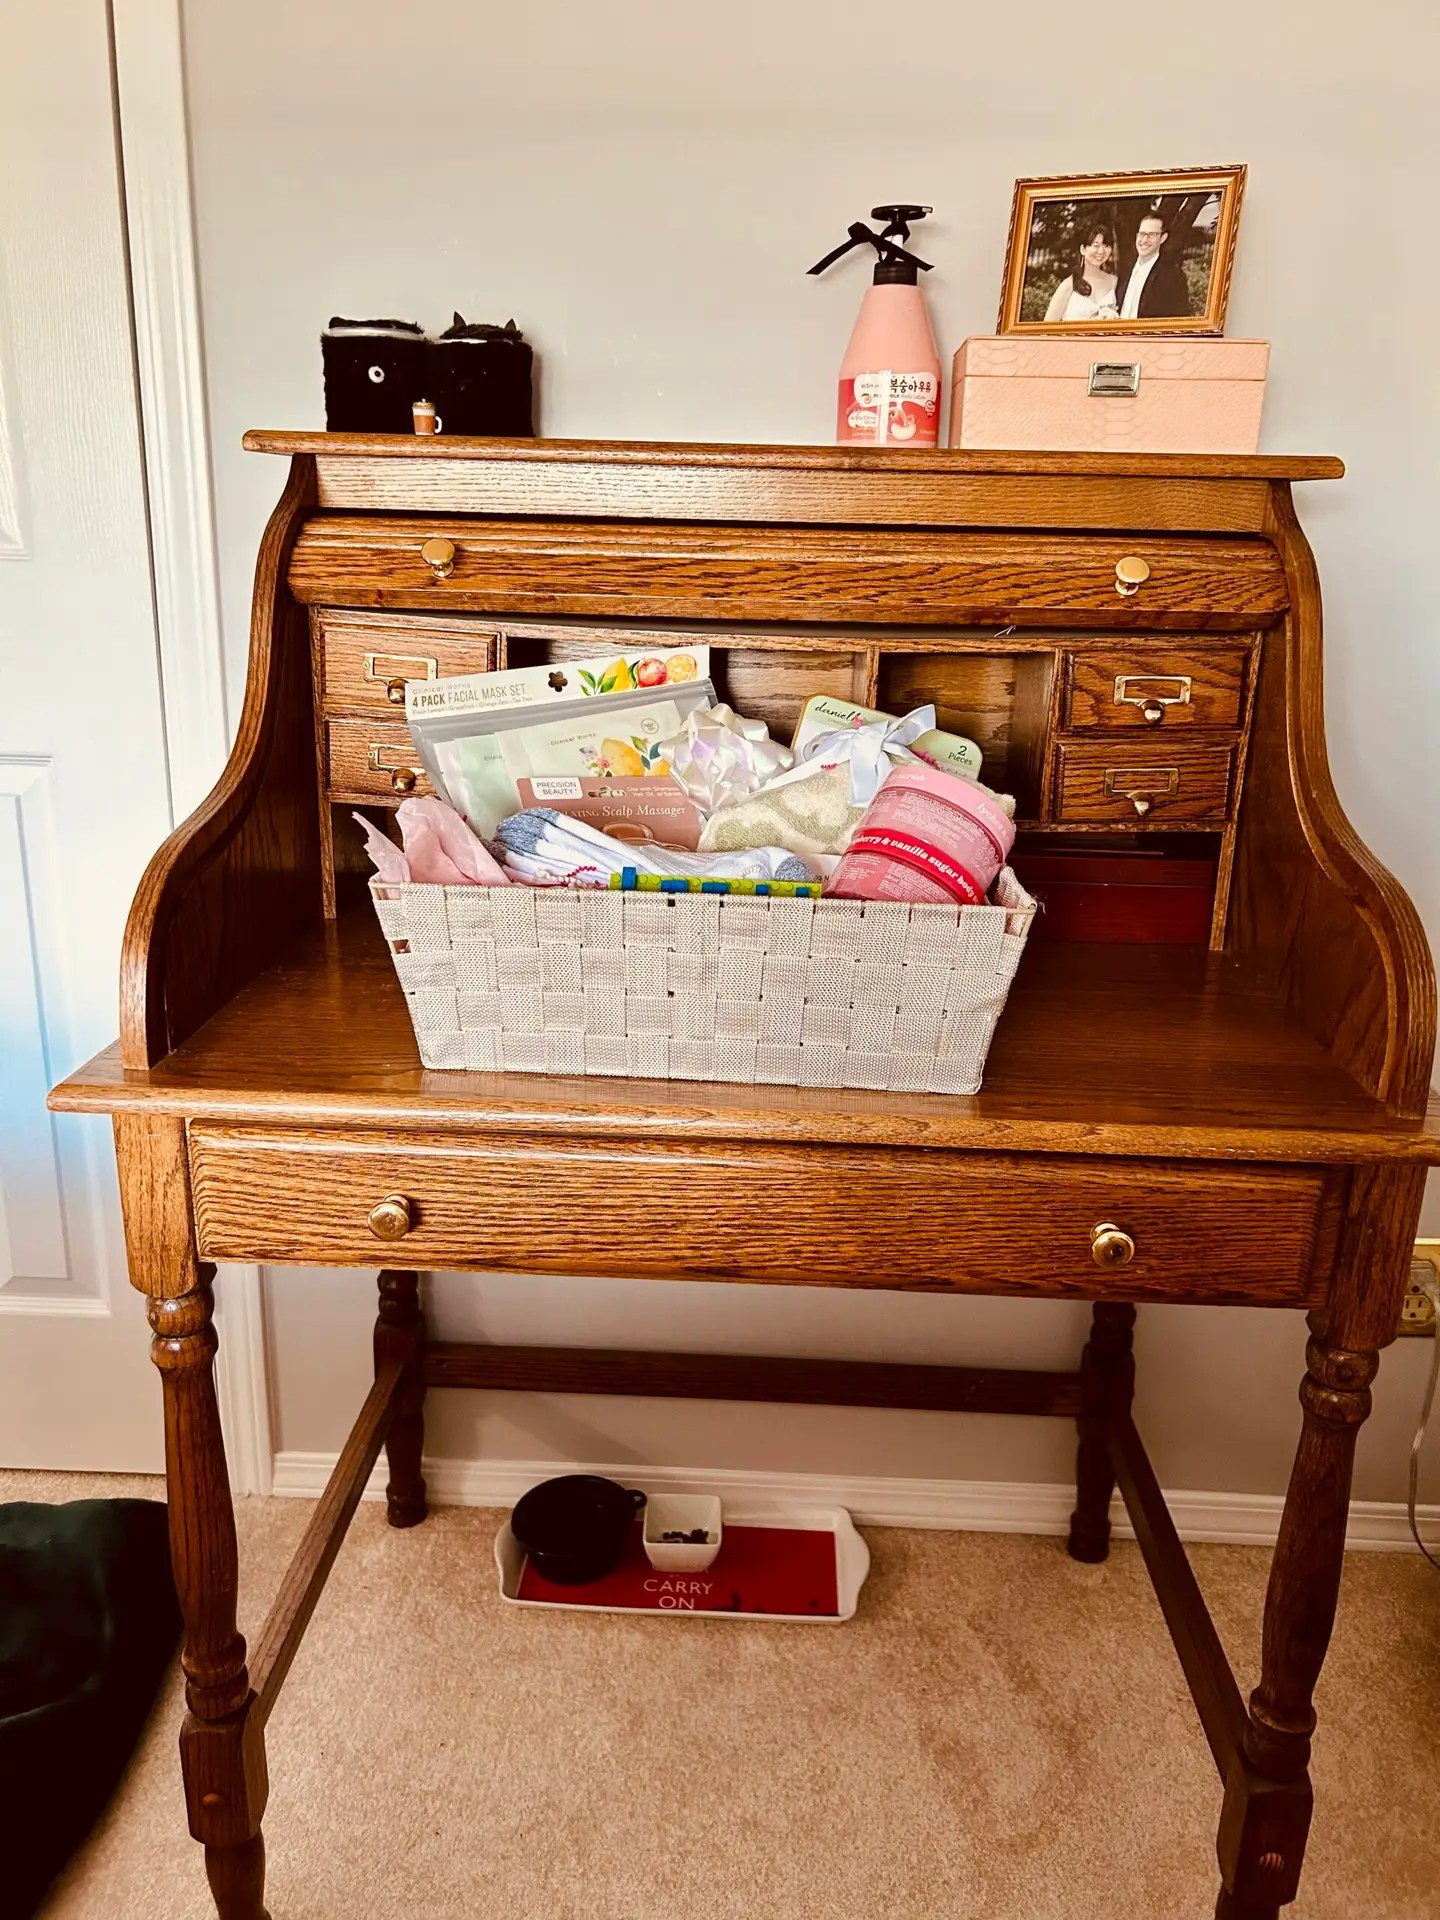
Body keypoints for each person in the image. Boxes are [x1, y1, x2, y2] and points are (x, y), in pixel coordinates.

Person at [1115, 212, 1191, 319]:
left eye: (1151, 235)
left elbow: (1179, 320)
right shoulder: (1124, 270)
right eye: (1142, 234)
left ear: (1163, 238)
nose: (1144, 240)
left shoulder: (1173, 276)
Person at [1043, 226, 1119, 322]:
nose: (1101, 251)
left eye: (1106, 246)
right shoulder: (1068, 286)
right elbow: (1047, 328)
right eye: (1096, 245)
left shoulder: (1114, 282)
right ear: (1083, 249)